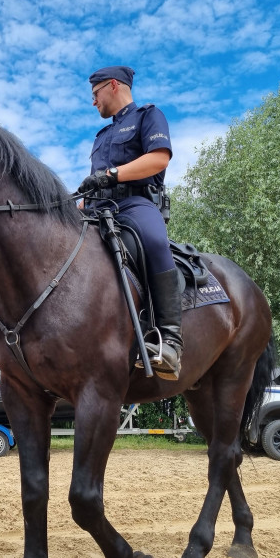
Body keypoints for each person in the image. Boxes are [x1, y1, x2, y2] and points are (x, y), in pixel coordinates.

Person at [78, 65, 182, 380]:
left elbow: (158, 158)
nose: (93, 102)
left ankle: (170, 339)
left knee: (154, 241)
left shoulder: (148, 116)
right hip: (98, 209)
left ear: (112, 86)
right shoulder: (102, 136)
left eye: (95, 94)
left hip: (136, 204)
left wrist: (111, 174)